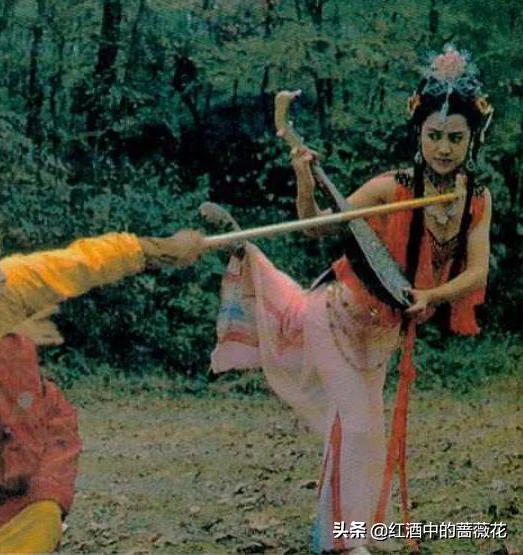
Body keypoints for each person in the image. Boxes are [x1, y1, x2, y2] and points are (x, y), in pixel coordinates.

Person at [211, 45, 493, 554]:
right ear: (419, 134)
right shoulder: (390, 187)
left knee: (367, 432)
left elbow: (476, 272)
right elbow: (316, 226)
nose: (444, 148)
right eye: (434, 135)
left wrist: (430, 294)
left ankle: (354, 533)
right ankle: (343, 543)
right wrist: (304, 176)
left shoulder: (475, 197)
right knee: (356, 426)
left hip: (382, 332)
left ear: (472, 138)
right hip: (338, 316)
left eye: (455, 137)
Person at [0, 197, 204, 553]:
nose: (2, 275)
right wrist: (11, 354)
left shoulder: (7, 287)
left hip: (31, 436)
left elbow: (80, 262)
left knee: (39, 515)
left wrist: (158, 250)